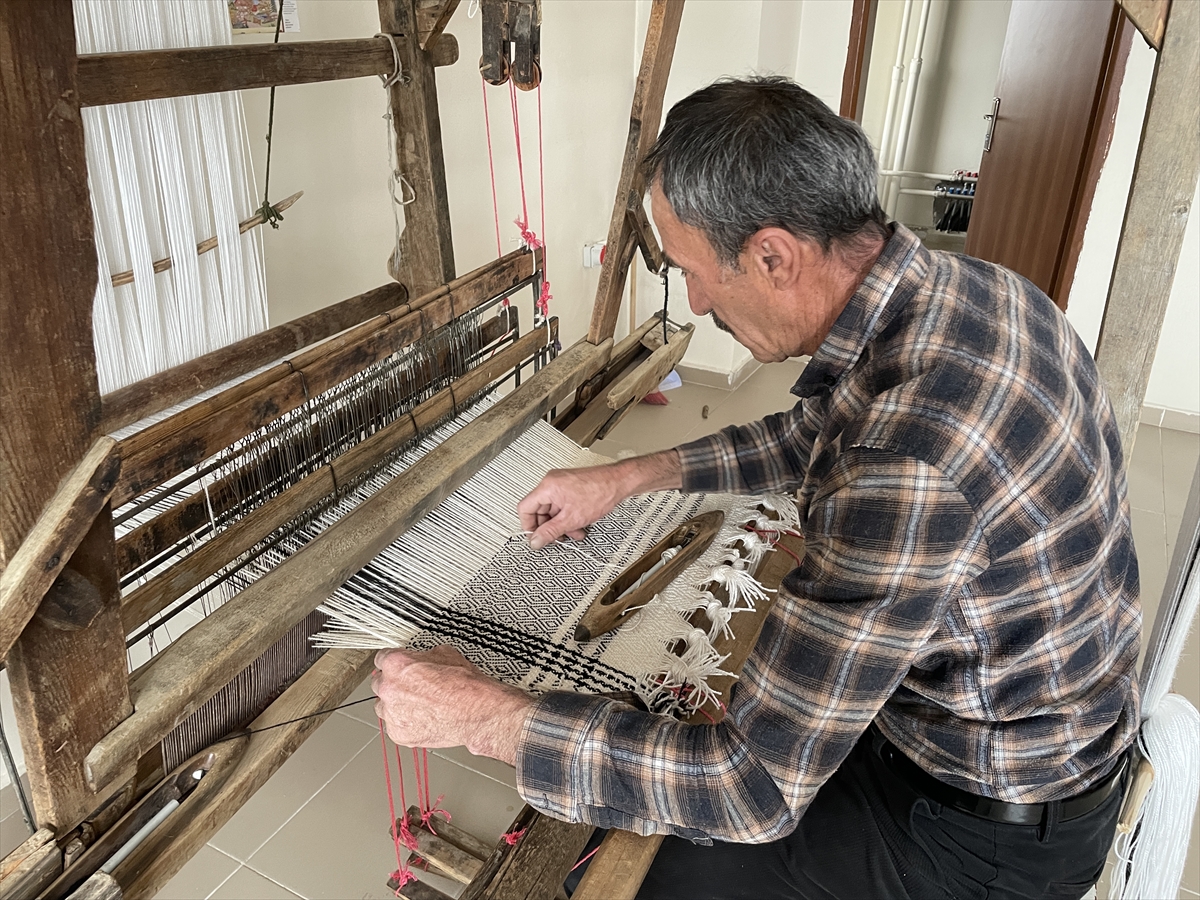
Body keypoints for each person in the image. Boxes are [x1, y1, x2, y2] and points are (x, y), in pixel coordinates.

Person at [373, 77, 1141, 900]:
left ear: (773, 255)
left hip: (982, 831)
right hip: (1006, 741)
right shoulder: (979, 293)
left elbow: (752, 789)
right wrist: (631, 477)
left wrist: (490, 718)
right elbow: (815, 437)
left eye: (693, 273)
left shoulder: (907, 464)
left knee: (611, 875)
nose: (697, 304)